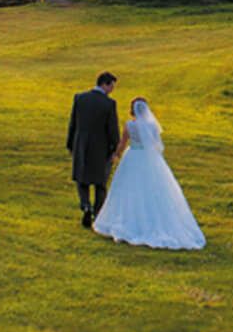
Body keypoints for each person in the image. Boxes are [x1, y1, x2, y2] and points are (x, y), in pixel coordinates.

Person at [94, 98, 206, 250]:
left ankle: (127, 220)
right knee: (153, 189)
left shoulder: (130, 125)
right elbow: (156, 144)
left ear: (132, 110)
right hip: (149, 159)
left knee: (129, 188)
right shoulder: (153, 126)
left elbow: (123, 143)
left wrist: (116, 155)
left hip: (132, 156)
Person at [66, 71, 119, 228]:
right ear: (105, 84)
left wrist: (70, 143)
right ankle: (97, 212)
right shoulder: (109, 104)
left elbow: (73, 123)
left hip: (81, 143)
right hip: (100, 146)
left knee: (82, 178)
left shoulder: (80, 98)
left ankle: (85, 205)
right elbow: (112, 129)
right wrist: (114, 148)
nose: (112, 90)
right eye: (111, 86)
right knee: (100, 182)